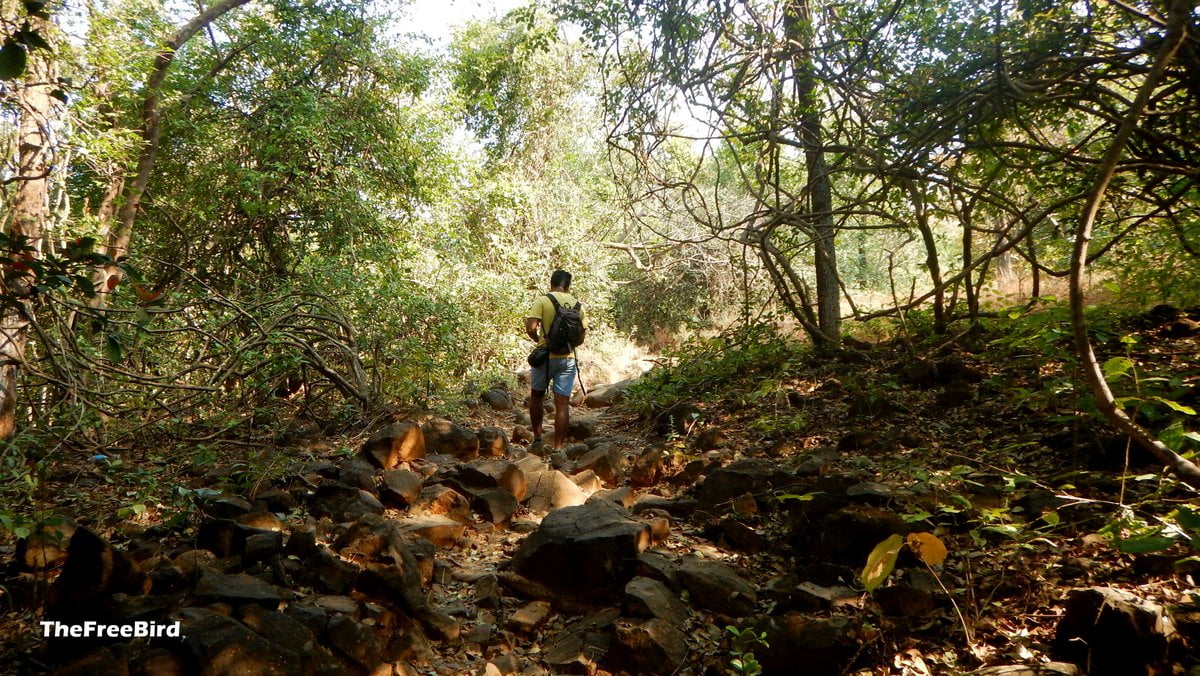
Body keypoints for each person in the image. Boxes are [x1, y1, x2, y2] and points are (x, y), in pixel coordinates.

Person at [525, 269, 586, 451]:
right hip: (567, 359)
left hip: (544, 357)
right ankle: (558, 449)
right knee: (562, 404)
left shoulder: (543, 301)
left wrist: (539, 340)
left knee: (537, 397)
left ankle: (537, 441)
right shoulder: (578, 306)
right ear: (568, 286)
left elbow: (531, 327)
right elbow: (581, 338)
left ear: (551, 283)